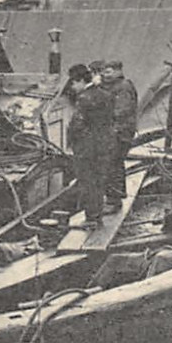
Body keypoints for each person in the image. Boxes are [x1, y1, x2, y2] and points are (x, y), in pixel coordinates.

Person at [64, 64, 115, 228]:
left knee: (87, 182)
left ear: (79, 80)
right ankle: (96, 216)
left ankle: (91, 219)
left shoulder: (84, 98)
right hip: (104, 144)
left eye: (73, 83)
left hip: (87, 148)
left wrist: (71, 142)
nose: (72, 87)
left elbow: (77, 125)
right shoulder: (106, 94)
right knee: (99, 181)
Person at [101, 60, 139, 207]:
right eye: (104, 72)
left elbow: (121, 110)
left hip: (121, 132)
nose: (105, 74)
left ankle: (114, 200)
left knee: (113, 164)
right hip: (115, 131)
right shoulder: (114, 86)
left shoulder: (123, 87)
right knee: (113, 163)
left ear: (118, 71)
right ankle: (113, 197)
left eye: (108, 72)